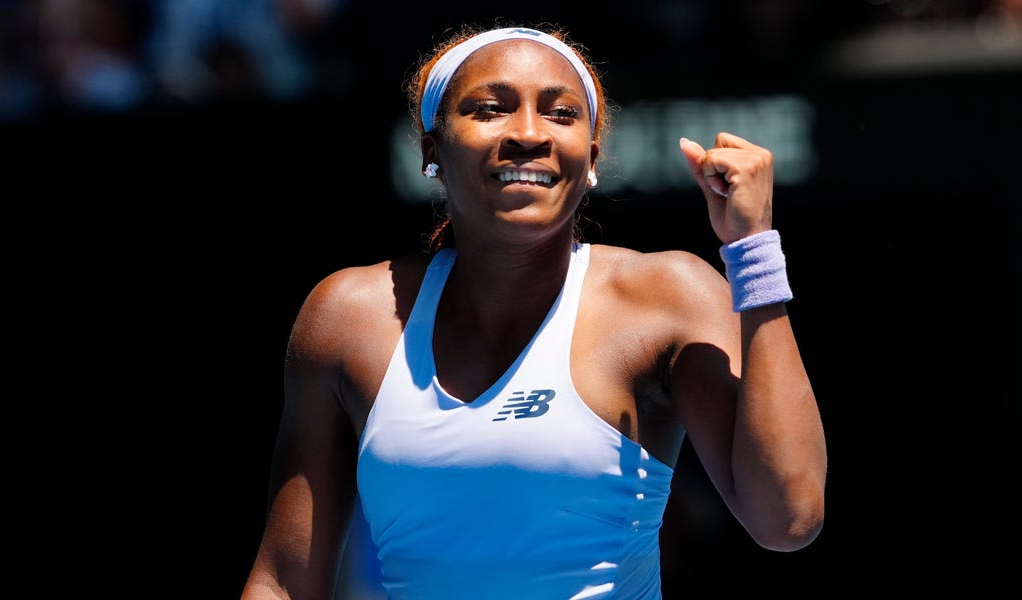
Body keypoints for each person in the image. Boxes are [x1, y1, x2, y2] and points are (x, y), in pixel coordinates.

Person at [240, 22, 827, 600]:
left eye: (561, 114)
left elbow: (788, 518)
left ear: (590, 158)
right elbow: (284, 583)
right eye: (490, 109)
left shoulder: (669, 296)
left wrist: (753, 251)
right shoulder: (346, 317)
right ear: (431, 150)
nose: (528, 133)